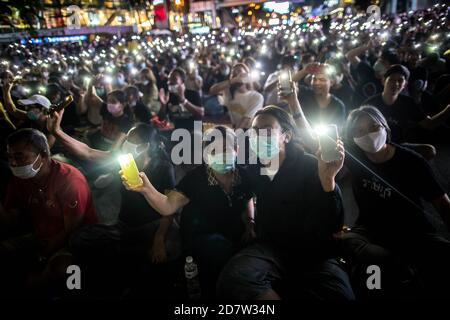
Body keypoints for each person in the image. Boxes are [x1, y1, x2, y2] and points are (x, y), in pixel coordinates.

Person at [217, 106, 354, 300]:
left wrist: (328, 181)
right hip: (272, 248)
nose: (258, 136)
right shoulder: (254, 169)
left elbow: (333, 224)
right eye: (254, 131)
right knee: (234, 277)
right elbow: (238, 194)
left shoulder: (312, 166)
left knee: (339, 295)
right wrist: (250, 222)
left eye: (266, 130)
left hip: (315, 253)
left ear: (286, 136)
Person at [121, 126, 255, 298]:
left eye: (225, 149)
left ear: (236, 150)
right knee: (221, 253)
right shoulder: (195, 179)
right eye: (213, 150)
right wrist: (146, 189)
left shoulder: (243, 176)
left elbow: (247, 199)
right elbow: (168, 206)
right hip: (201, 235)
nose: (220, 155)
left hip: (231, 231)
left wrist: (250, 222)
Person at [339, 105, 450, 298]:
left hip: (414, 230)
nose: (369, 134)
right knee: (351, 249)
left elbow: (441, 203)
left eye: (374, 126)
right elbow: (311, 139)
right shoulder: (354, 158)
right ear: (353, 138)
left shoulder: (412, 161)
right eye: (359, 131)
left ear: (385, 127)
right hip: (371, 231)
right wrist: (293, 103)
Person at [1, 128, 97, 296]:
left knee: (63, 270)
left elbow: (71, 229)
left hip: (76, 239)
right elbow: (11, 222)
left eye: (20, 157)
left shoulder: (69, 180)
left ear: (43, 155)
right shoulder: (20, 179)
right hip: (41, 235)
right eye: (10, 157)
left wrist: (43, 258)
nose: (13, 163)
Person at [363, 64, 450, 159]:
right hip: (375, 146)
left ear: (405, 85)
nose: (396, 83)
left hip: (398, 146)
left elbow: (429, 124)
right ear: (383, 81)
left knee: (429, 151)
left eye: (400, 81)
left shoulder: (408, 103)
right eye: (391, 79)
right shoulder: (370, 104)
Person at [209, 63, 264, 130]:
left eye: (240, 72)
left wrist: (234, 136)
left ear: (247, 76)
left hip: (248, 132)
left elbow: (245, 121)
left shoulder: (257, 97)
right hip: (235, 128)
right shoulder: (229, 92)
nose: (237, 76)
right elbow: (212, 90)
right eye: (234, 74)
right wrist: (233, 80)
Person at [293, 63, 347, 129]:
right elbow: (287, 85)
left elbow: (337, 131)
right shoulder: (304, 93)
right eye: (314, 79)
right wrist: (304, 71)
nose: (317, 83)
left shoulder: (338, 106)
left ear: (332, 82)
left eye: (322, 80)